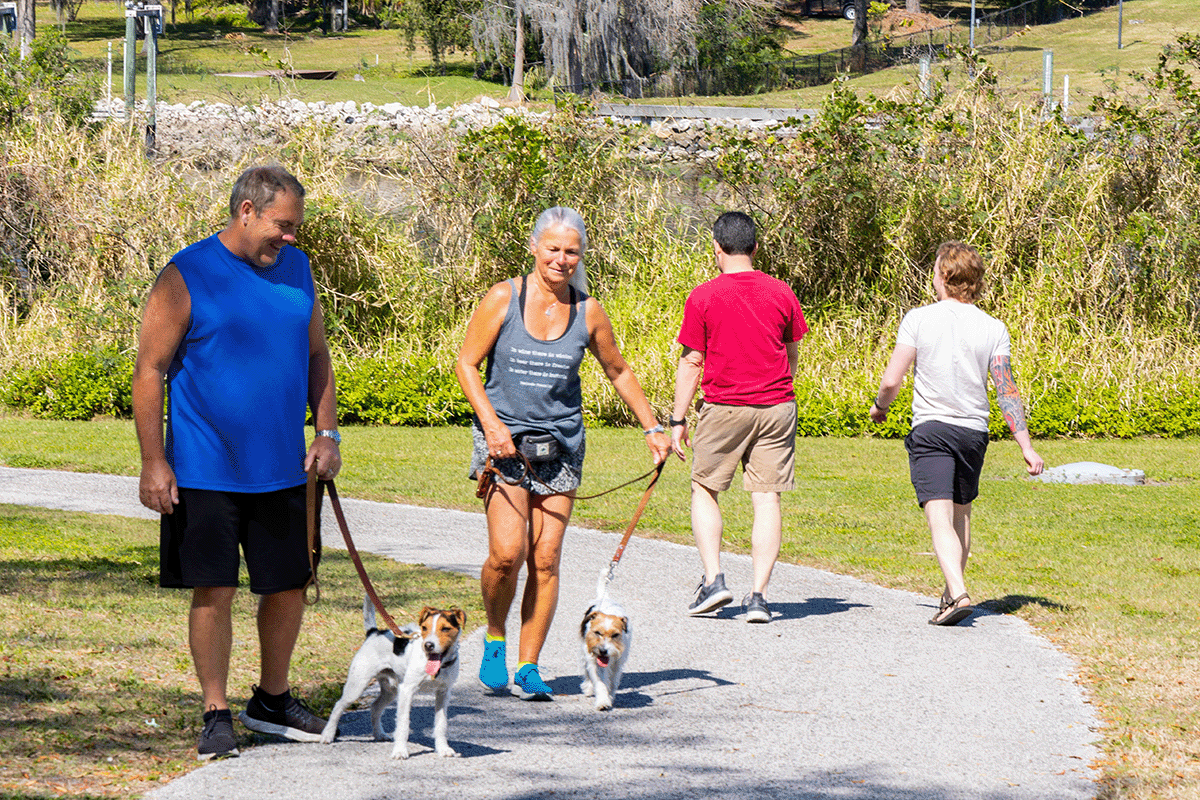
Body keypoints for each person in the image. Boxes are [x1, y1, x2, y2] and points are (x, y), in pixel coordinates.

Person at [132, 165, 341, 760]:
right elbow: (150, 371)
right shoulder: (186, 274)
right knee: (214, 590)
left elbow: (318, 358)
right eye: (283, 225)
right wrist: (153, 462)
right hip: (204, 467)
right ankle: (216, 711)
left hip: (283, 469)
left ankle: (271, 701)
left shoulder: (297, 271)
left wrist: (326, 433)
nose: (291, 237)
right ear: (246, 211)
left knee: (288, 586)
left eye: (295, 227)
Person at [455, 206, 670, 700]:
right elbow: (467, 364)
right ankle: (494, 636)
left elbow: (617, 369)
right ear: (534, 247)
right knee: (506, 555)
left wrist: (653, 427)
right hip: (503, 443)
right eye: (552, 248)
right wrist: (492, 426)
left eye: (571, 251)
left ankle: (529, 666)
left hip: (562, 446)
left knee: (546, 558)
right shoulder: (503, 298)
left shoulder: (587, 310)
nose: (561, 259)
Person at [870, 241, 1044, 626]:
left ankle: (959, 592)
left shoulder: (918, 318)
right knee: (962, 514)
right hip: (973, 433)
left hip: (932, 428)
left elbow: (891, 379)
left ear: (945, 276)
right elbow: (1006, 389)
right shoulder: (993, 327)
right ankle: (951, 593)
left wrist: (880, 407)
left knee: (938, 514)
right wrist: (1026, 447)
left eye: (935, 271)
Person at [670, 211, 807, 624]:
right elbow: (791, 351)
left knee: (705, 489)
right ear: (755, 248)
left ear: (716, 248)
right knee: (766, 498)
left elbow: (693, 361)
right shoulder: (782, 292)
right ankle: (759, 596)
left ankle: (714, 580)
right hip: (777, 406)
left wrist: (678, 419)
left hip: (726, 405)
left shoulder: (705, 296)